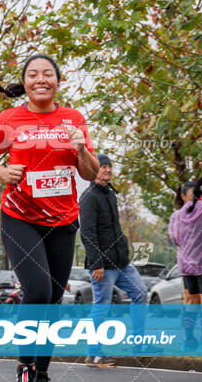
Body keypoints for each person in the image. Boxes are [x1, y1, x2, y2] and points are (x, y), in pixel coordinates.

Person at [0, 54, 99, 382]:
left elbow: (91, 171)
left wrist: (81, 150)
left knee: (54, 299)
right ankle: (24, 363)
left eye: (47, 74)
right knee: (38, 290)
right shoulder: (10, 119)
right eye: (33, 75)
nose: (40, 79)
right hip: (20, 217)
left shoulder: (73, 118)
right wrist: (4, 172)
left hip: (63, 220)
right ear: (25, 83)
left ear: (58, 81)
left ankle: (40, 371)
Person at [79, 154, 147, 367]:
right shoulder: (89, 197)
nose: (107, 170)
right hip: (103, 266)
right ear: (93, 171)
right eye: (103, 167)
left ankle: (139, 343)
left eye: (109, 167)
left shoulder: (110, 193)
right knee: (102, 306)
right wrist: (97, 262)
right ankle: (94, 354)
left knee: (141, 293)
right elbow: (87, 232)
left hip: (121, 262)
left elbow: (113, 228)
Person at [169, 176, 202, 351]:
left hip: (186, 266)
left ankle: (189, 341)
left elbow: (175, 238)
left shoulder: (178, 214)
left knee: (191, 302)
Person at [168, 181, 196, 304]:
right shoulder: (177, 216)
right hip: (188, 263)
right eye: (192, 194)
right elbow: (175, 238)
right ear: (183, 196)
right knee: (190, 298)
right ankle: (189, 323)